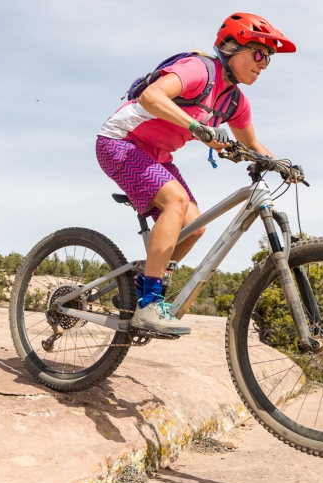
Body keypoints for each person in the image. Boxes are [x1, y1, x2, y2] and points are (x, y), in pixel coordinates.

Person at [96, 12, 296, 335]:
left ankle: (141, 284)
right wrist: (196, 126)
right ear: (233, 47)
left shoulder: (234, 102)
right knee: (175, 201)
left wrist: (283, 165)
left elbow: (252, 142)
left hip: (156, 156)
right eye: (259, 53)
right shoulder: (199, 70)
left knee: (194, 226)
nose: (263, 64)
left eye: (268, 59)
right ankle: (148, 303)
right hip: (120, 141)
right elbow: (151, 96)